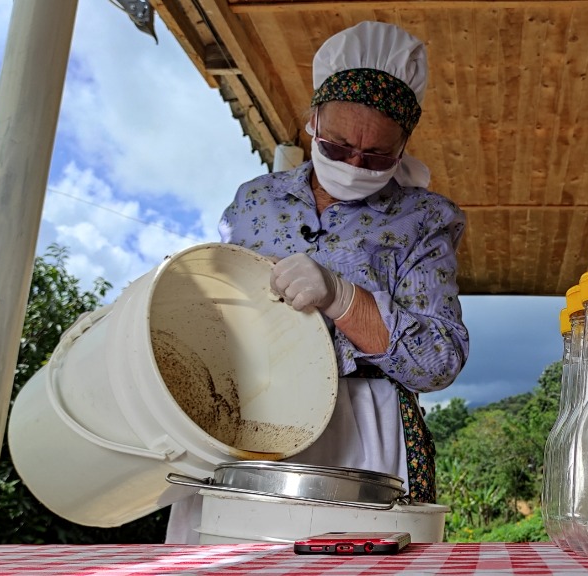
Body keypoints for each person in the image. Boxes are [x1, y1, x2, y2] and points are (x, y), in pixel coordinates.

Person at [165, 21, 469, 544]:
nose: (355, 163)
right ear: (311, 122)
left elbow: (438, 360)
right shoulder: (256, 201)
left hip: (360, 433)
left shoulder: (424, 218)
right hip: (246, 412)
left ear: (404, 146)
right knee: (228, 550)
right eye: (338, 145)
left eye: (376, 156)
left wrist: (343, 298)